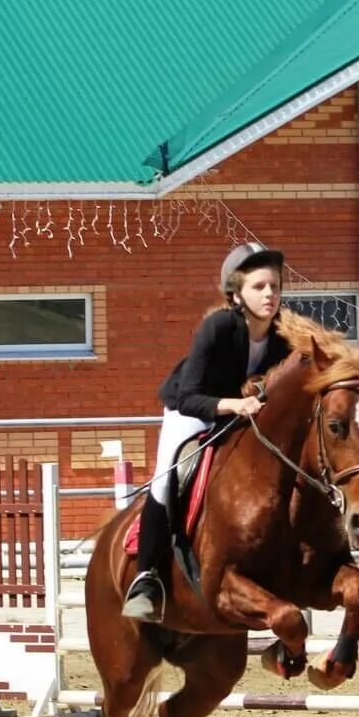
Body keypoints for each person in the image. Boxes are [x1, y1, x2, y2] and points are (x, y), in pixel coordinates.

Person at [122, 241, 293, 622]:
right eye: (260, 287)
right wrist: (235, 404)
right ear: (236, 294)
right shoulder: (218, 327)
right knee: (169, 476)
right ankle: (147, 577)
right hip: (193, 412)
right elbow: (188, 397)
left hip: (240, 415)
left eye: (275, 287)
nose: (270, 294)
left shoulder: (281, 336)